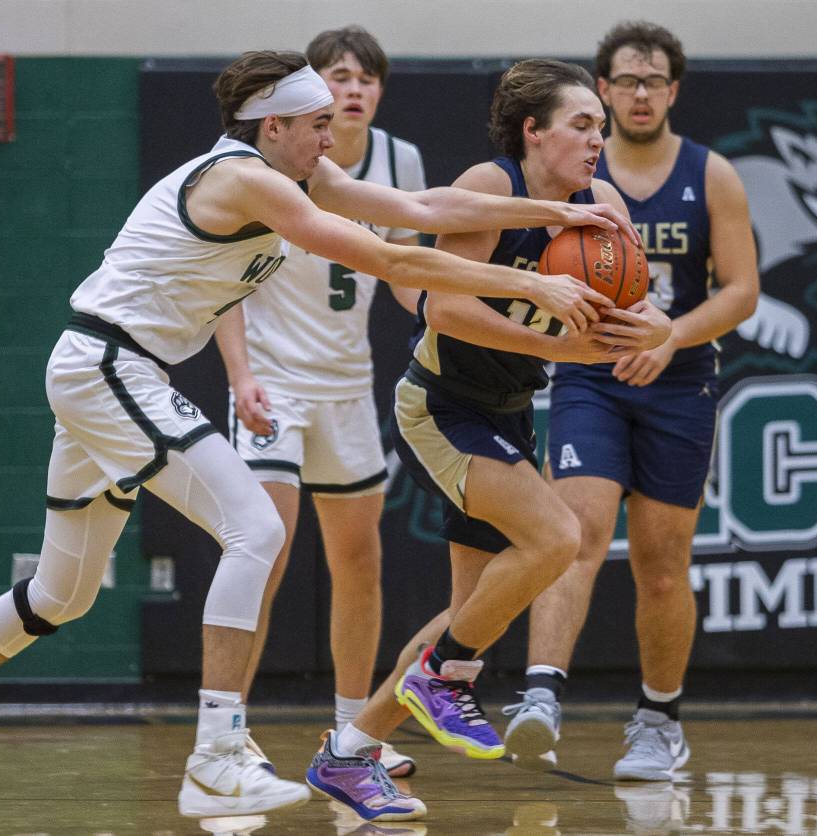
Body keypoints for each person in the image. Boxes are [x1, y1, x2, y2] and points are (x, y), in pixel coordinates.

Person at [0, 50, 639, 828]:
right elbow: (385, 253)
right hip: (109, 366)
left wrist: (560, 213)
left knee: (61, 594)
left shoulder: (297, 171)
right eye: (318, 123)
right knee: (255, 526)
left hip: (114, 373)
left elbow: (424, 209)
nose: (332, 137)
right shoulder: (246, 181)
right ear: (275, 125)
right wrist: (529, 279)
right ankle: (216, 754)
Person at [305, 59, 671, 822]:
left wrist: (655, 330)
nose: (597, 139)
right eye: (581, 125)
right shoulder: (494, 185)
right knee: (558, 540)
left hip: (507, 408)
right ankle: (440, 681)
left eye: (600, 128)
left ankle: (347, 751)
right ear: (533, 132)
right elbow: (443, 310)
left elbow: (644, 304)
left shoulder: (603, 204)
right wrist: (564, 348)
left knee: (469, 614)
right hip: (442, 403)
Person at [502, 22, 759, 781]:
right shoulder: (577, 172)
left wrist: (670, 336)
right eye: (626, 81)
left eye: (654, 80)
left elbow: (742, 291)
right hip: (590, 375)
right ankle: (541, 695)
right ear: (604, 91)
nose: (640, 93)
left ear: (673, 91)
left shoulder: (712, 175)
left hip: (679, 380)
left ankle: (659, 719)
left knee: (660, 564)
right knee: (574, 530)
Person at [214, 26, 423, 779]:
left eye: (369, 77)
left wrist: (450, 315)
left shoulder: (399, 162)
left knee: (359, 562)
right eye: (341, 75)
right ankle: (227, 732)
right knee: (262, 551)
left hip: (348, 385)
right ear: (310, 90)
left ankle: (353, 734)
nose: (356, 88)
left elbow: (406, 276)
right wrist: (239, 377)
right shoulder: (268, 162)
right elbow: (225, 282)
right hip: (273, 380)